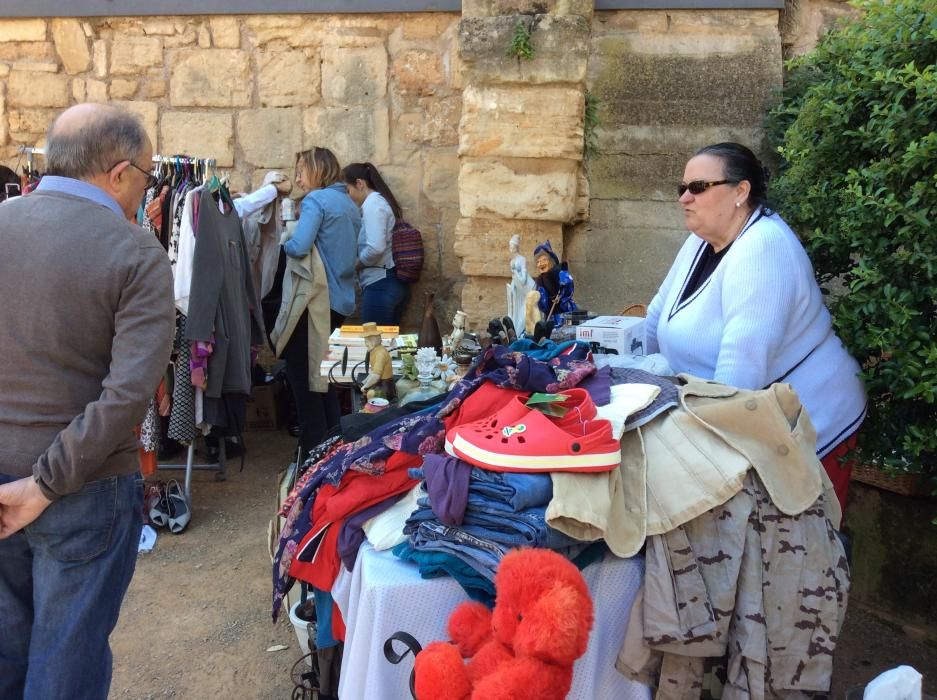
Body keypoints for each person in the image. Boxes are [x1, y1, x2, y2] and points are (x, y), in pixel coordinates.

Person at [0, 103, 175, 699]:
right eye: (149, 177)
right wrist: (45, 485)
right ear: (120, 172)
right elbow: (127, 395)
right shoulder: (135, 252)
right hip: (84, 489)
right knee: (65, 666)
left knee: (9, 655)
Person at [645, 142, 866, 512]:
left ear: (740, 192)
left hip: (809, 422)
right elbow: (655, 318)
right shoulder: (700, 242)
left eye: (697, 188)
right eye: (681, 189)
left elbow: (739, 373)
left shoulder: (764, 249)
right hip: (738, 418)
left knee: (799, 549)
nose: (684, 198)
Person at [278, 147, 360, 459]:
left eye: (301, 171)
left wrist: (283, 241)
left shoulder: (316, 200)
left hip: (316, 303)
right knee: (324, 377)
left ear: (317, 170)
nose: (298, 178)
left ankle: (314, 451)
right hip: (340, 302)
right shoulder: (348, 203)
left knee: (305, 378)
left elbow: (299, 246)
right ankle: (331, 445)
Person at [341, 162, 410, 326]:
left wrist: (357, 265)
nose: (347, 196)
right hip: (386, 283)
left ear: (359, 184)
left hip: (381, 284)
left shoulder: (373, 204)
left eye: (347, 190)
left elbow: (375, 247)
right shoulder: (377, 203)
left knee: (375, 346)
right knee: (386, 347)